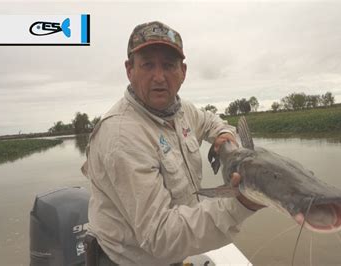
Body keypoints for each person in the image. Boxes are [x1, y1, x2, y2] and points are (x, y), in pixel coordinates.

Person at [81, 21, 263, 265]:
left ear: (183, 72)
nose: (159, 77)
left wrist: (222, 135)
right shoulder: (121, 136)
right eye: (147, 65)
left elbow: (210, 121)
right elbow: (160, 236)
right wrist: (240, 203)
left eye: (168, 65)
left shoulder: (180, 110)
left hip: (176, 253)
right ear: (129, 70)